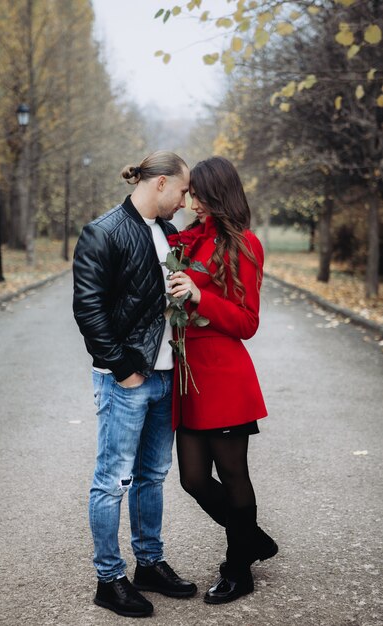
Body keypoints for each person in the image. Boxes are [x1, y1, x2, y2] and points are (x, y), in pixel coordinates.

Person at [73, 151, 197, 618]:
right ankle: (109, 579)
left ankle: (149, 563)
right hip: (126, 380)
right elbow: (89, 310)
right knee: (112, 481)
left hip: (165, 376)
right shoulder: (103, 231)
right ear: (161, 183)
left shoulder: (169, 233)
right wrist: (123, 368)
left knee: (152, 476)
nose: (185, 200)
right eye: (182, 190)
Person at [168, 156, 278, 605]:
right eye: (189, 193)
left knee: (233, 474)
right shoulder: (186, 243)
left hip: (225, 374)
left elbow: (248, 322)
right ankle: (252, 539)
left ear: (217, 193)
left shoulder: (244, 244)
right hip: (188, 375)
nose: (191, 201)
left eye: (197, 193)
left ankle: (238, 568)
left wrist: (200, 296)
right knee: (192, 479)